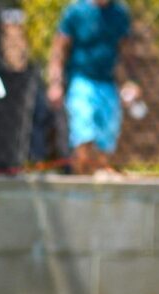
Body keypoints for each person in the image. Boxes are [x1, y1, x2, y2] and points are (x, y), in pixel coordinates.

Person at [46, 0, 139, 175]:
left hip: (108, 83)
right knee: (84, 133)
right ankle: (80, 182)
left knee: (106, 140)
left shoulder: (119, 13)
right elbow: (59, 49)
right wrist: (55, 83)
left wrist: (132, 82)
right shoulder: (76, 11)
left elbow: (128, 50)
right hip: (82, 81)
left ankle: (97, 185)